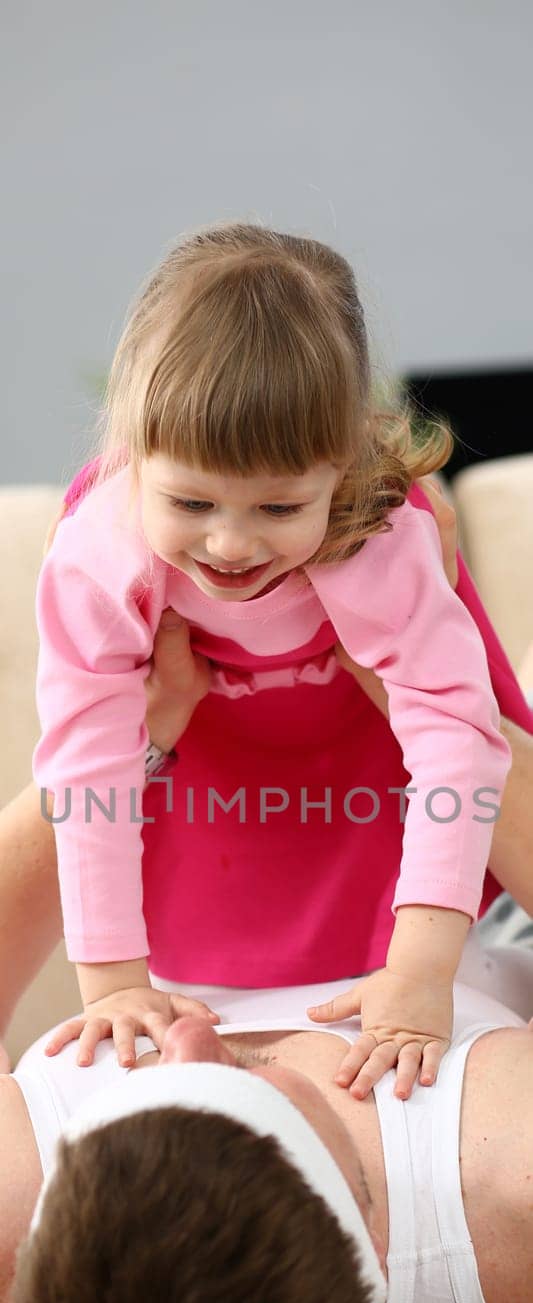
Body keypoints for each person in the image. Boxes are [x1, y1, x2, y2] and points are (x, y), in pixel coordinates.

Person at [30, 220, 533, 1104]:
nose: (229, 543)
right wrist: (114, 983)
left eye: (278, 505)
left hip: (369, 802)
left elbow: (453, 745)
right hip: (215, 817)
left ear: (341, 469)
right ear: (133, 453)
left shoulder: (381, 536)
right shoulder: (99, 555)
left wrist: (418, 976)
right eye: (189, 500)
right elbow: (87, 767)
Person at [5, 977, 533, 1303]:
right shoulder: (513, 1180)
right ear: (372, 1251)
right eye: (242, 1085)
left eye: (130, 1095)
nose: (187, 1035)